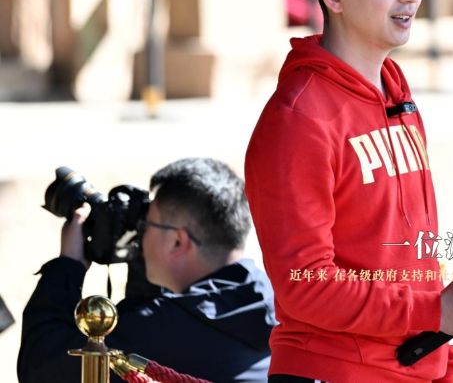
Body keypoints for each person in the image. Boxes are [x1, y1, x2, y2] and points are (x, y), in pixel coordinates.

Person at [245, 0, 453, 383]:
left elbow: (412, 257)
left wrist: (443, 355)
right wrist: (436, 311)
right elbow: (305, 286)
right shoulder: (298, 117)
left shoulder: (396, 94)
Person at [18, 158, 276, 383]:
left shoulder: (166, 328)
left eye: (147, 225)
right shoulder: (272, 299)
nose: (141, 236)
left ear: (177, 242)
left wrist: (68, 266)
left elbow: (40, 366)